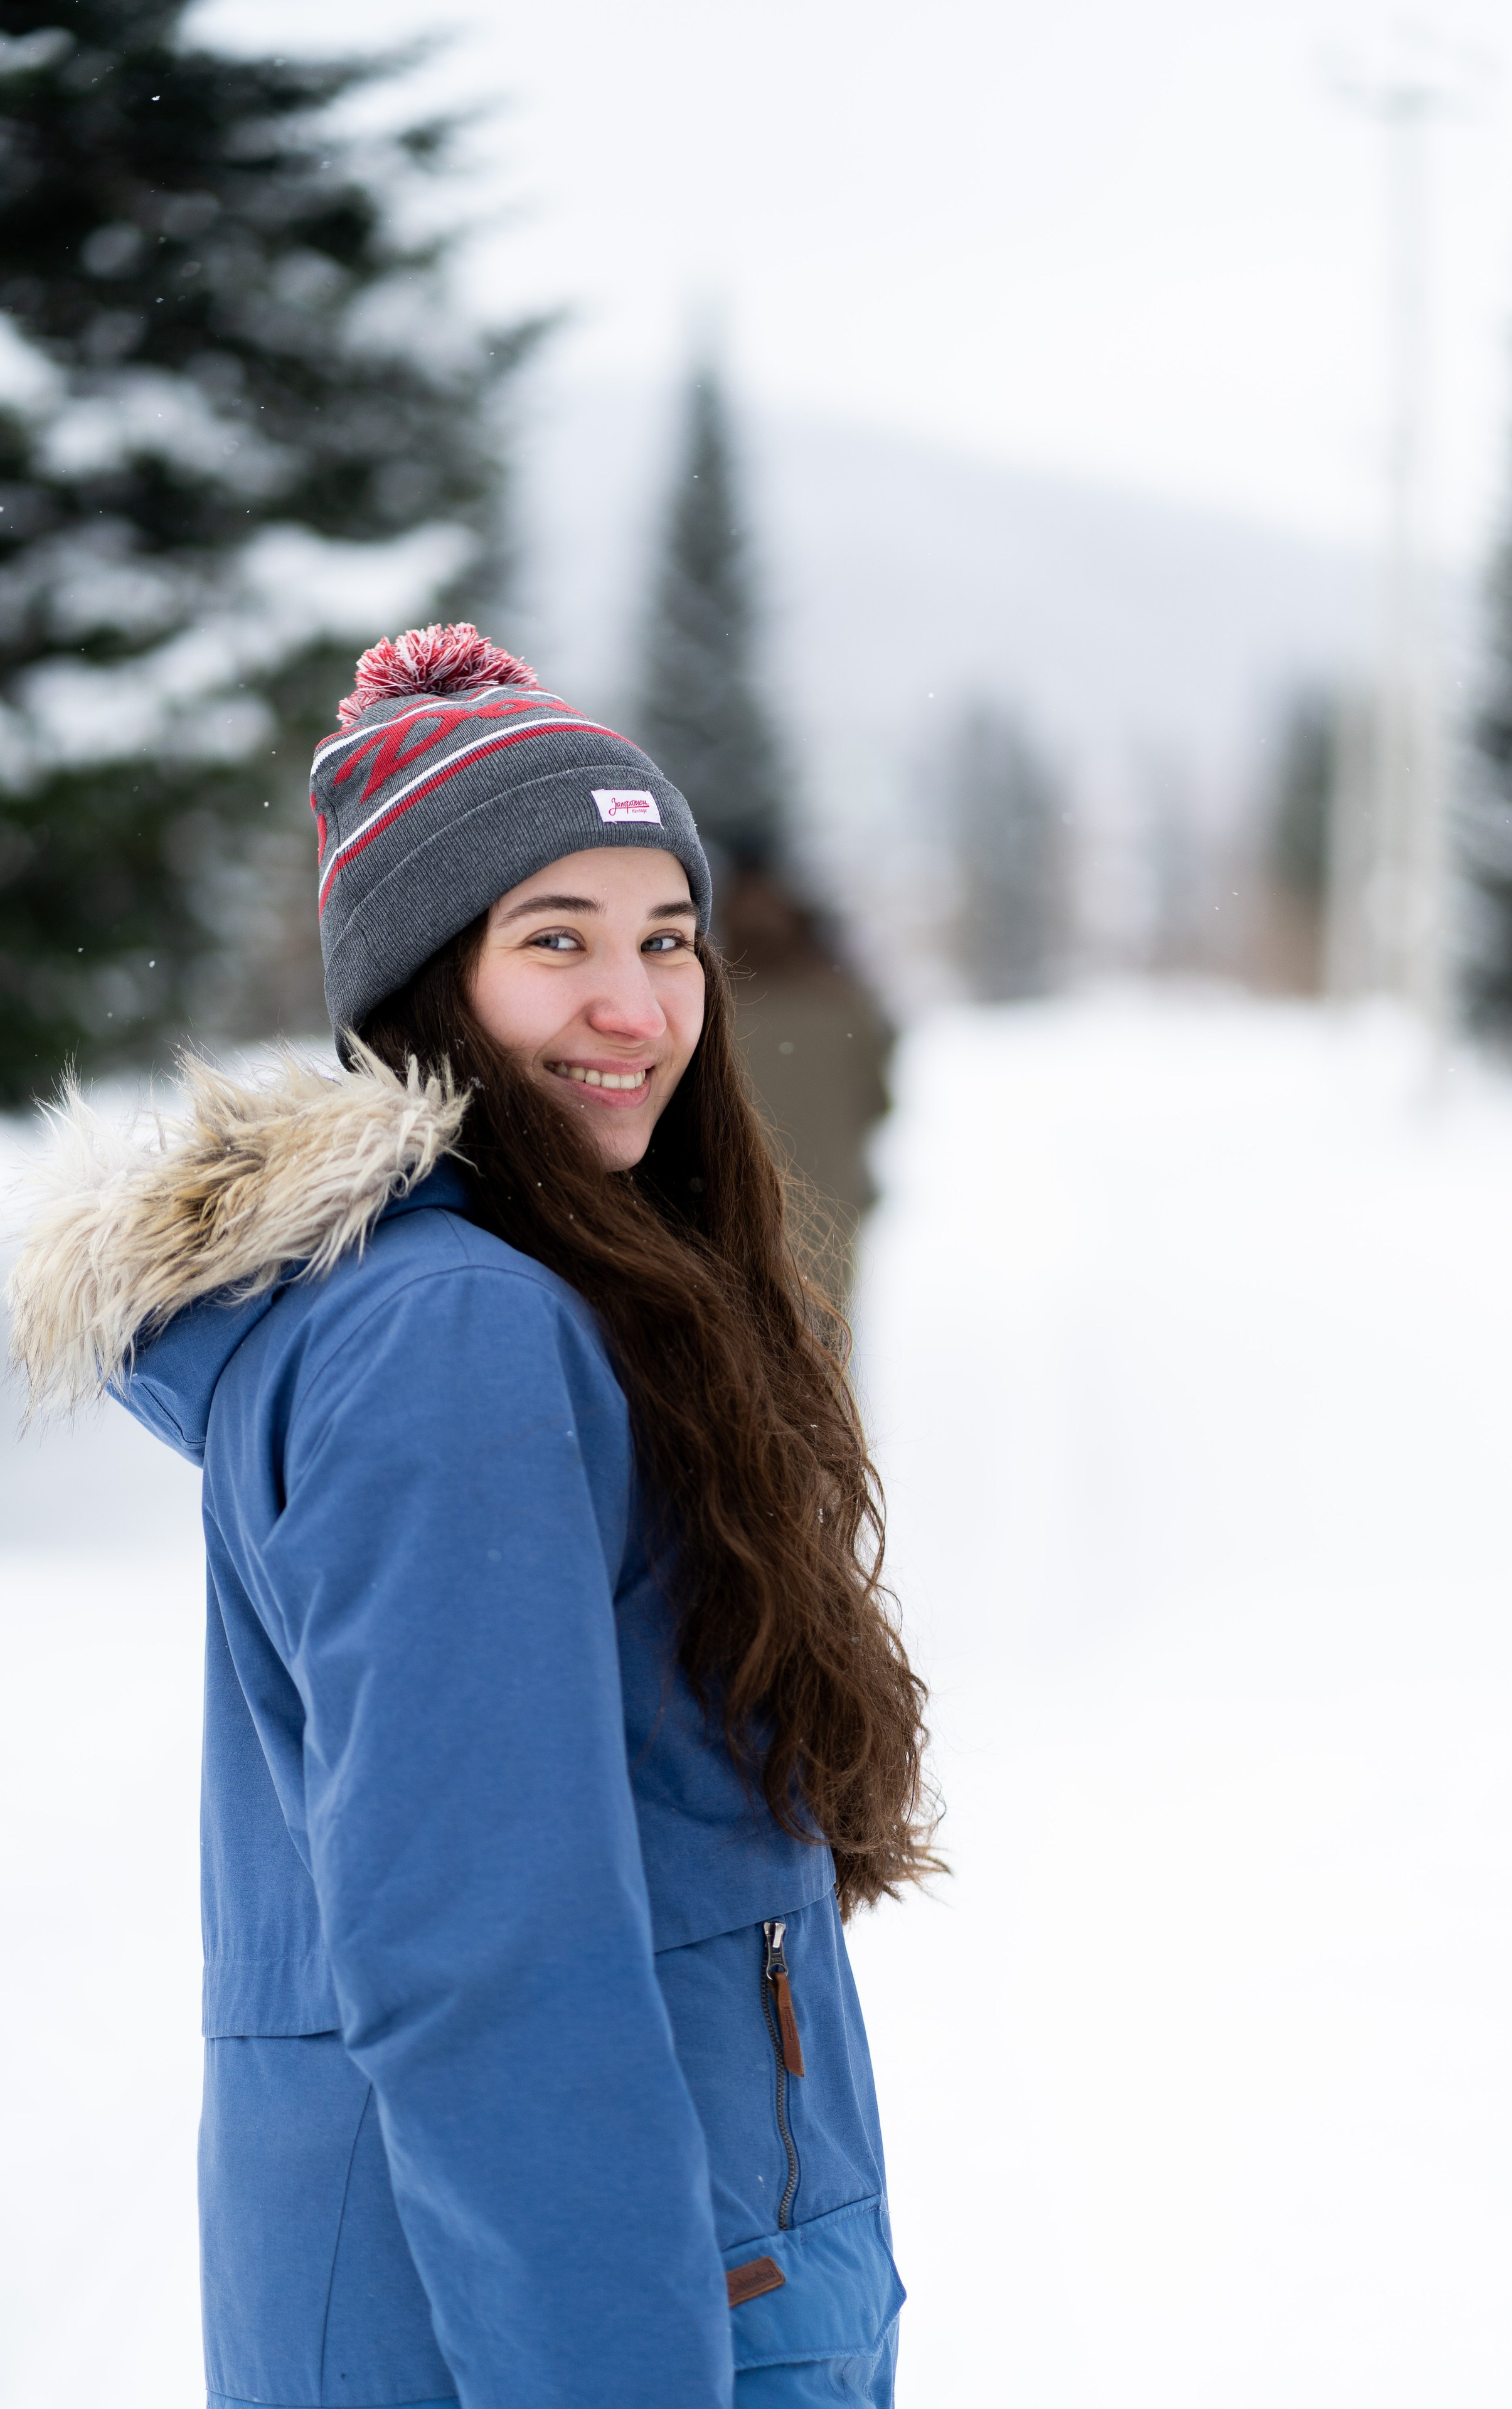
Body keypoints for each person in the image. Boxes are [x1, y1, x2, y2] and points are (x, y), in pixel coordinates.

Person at [9, 624, 938, 2409]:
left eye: (667, 939)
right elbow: (485, 1962)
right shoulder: (457, 1333)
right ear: (427, 985)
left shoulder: (516, 1299)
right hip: (570, 2339)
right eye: (556, 943)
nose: (637, 1005)